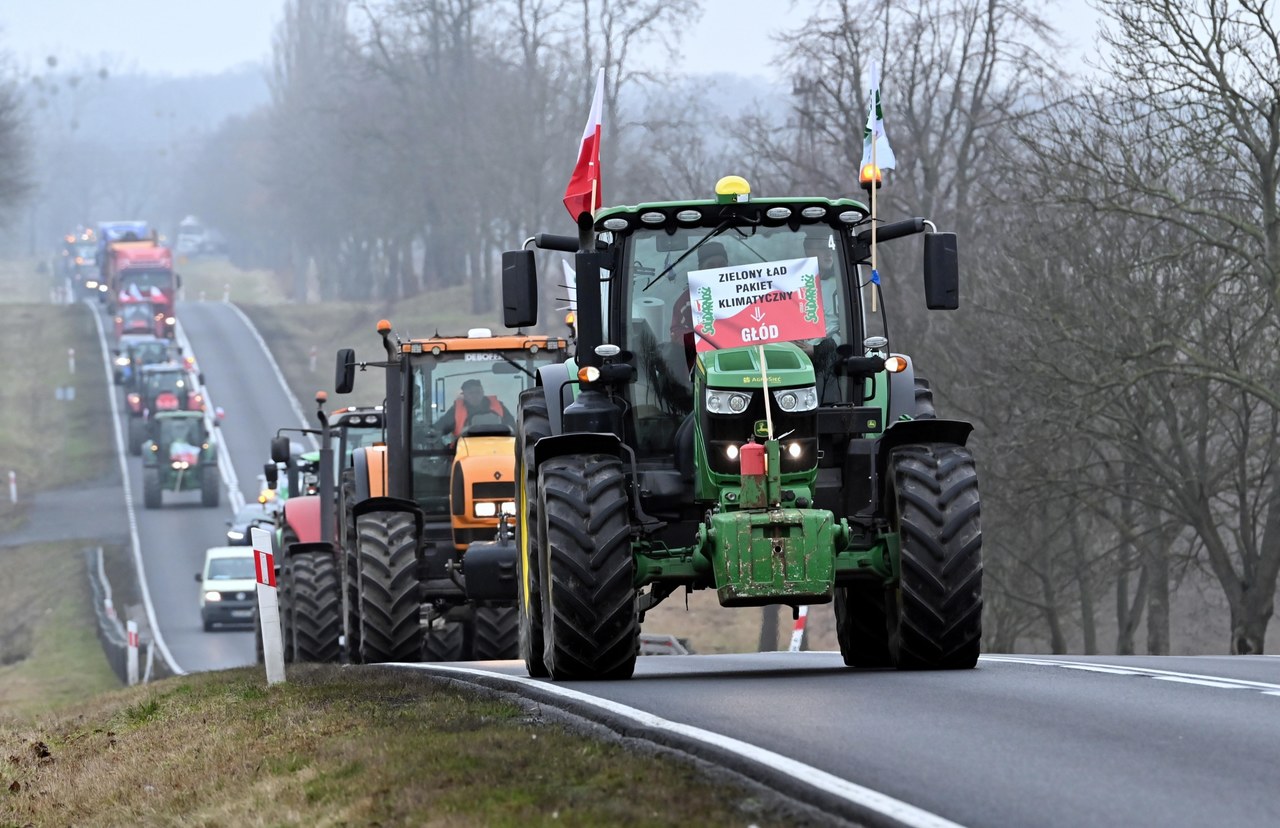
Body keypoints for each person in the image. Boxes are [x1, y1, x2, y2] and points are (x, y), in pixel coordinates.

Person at [431, 378, 514, 439]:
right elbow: (440, 427)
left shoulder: (498, 407)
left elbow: (513, 427)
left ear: (482, 392)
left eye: (478, 392)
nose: (475, 395)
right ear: (464, 395)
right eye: (471, 393)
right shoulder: (456, 411)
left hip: (498, 448)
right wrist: (430, 432)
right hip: (463, 451)